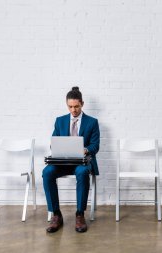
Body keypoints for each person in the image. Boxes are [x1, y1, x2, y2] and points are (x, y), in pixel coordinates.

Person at [43, 86, 100, 233]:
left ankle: (80, 214)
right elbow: (53, 142)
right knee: (47, 172)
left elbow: (95, 146)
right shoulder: (60, 121)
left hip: (82, 162)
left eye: (76, 106)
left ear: (82, 104)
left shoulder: (92, 122)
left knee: (82, 173)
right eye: (70, 107)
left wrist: (86, 149)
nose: (73, 110)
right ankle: (56, 214)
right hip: (63, 161)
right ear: (67, 105)